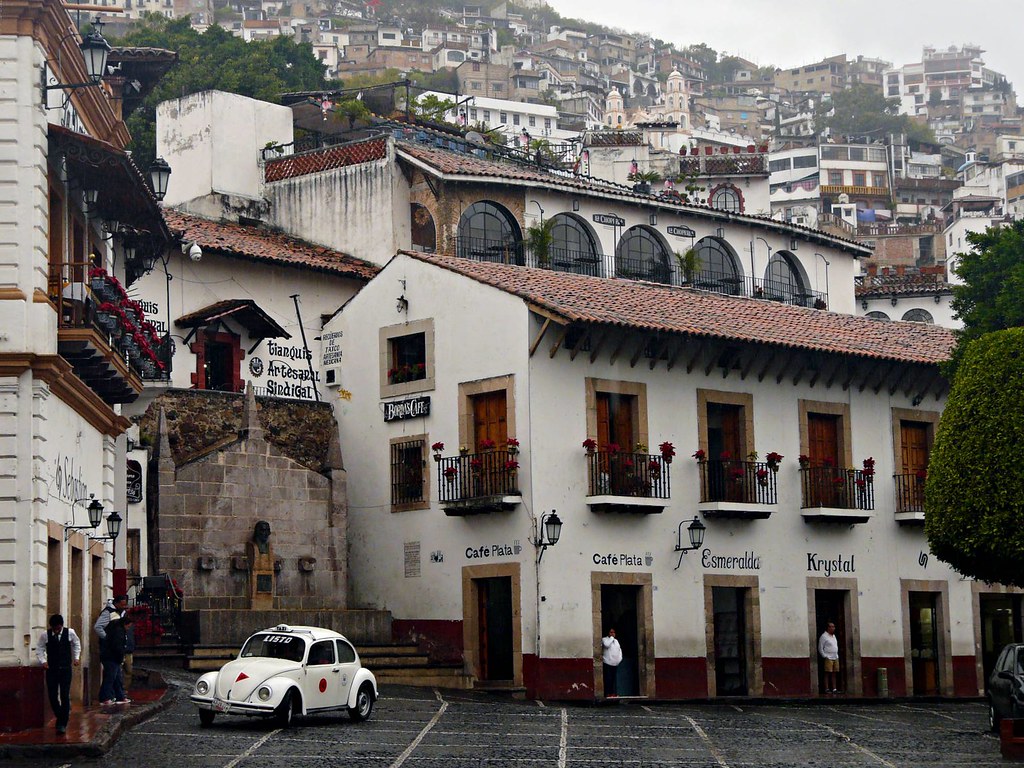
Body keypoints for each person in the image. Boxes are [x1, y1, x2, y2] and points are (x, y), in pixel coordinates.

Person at [36, 614, 81, 734]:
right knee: (52, 695)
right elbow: (39, 648)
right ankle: (60, 715)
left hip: (65, 668)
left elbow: (76, 644)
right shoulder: (45, 635)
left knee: (64, 695)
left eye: (58, 628)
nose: (56, 631)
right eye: (54, 628)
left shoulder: (70, 633)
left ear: (61, 626)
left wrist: (76, 658)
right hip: (52, 669)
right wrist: (43, 661)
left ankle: (62, 723)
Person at [94, 594, 127, 703]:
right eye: (122, 604)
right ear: (116, 603)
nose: (124, 606)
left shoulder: (120, 613)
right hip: (109, 649)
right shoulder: (108, 613)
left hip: (117, 648)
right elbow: (98, 627)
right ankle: (105, 697)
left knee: (117, 675)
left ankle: (120, 696)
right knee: (111, 674)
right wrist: (108, 639)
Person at [100, 613, 134, 705]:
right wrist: (120, 658)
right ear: (125, 624)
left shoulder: (116, 630)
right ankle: (105, 697)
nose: (128, 628)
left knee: (117, 678)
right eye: (128, 626)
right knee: (110, 678)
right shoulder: (118, 632)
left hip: (112, 658)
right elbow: (117, 647)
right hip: (112, 658)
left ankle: (120, 696)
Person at [818, 621, 840, 693]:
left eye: (834, 626)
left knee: (834, 673)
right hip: (828, 657)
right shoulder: (824, 636)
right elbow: (820, 647)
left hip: (835, 657)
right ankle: (826, 688)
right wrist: (824, 656)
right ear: (828, 628)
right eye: (831, 627)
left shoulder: (834, 636)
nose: (833, 628)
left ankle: (834, 688)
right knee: (827, 673)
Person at [601, 627, 622, 698]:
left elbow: (619, 650)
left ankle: (613, 693)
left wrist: (619, 659)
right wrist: (611, 638)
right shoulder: (605, 639)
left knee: (613, 679)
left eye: (613, 632)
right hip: (607, 662)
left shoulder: (616, 641)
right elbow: (607, 645)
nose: (612, 634)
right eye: (611, 632)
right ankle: (608, 693)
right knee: (608, 679)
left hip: (615, 663)